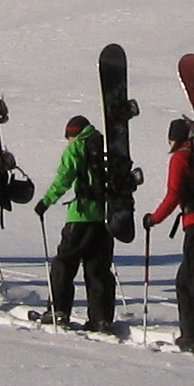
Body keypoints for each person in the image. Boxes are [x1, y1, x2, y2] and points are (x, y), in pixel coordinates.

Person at [143, 118, 194, 353]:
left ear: (176, 138)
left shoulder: (181, 157)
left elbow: (174, 194)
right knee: (188, 279)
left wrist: (154, 219)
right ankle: (192, 334)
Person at [34, 114, 116, 331]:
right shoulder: (104, 145)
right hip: (105, 217)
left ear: (73, 134)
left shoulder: (77, 148)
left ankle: (58, 310)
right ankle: (101, 318)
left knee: (64, 264)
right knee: (98, 269)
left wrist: (45, 202)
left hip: (81, 216)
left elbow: (64, 178)